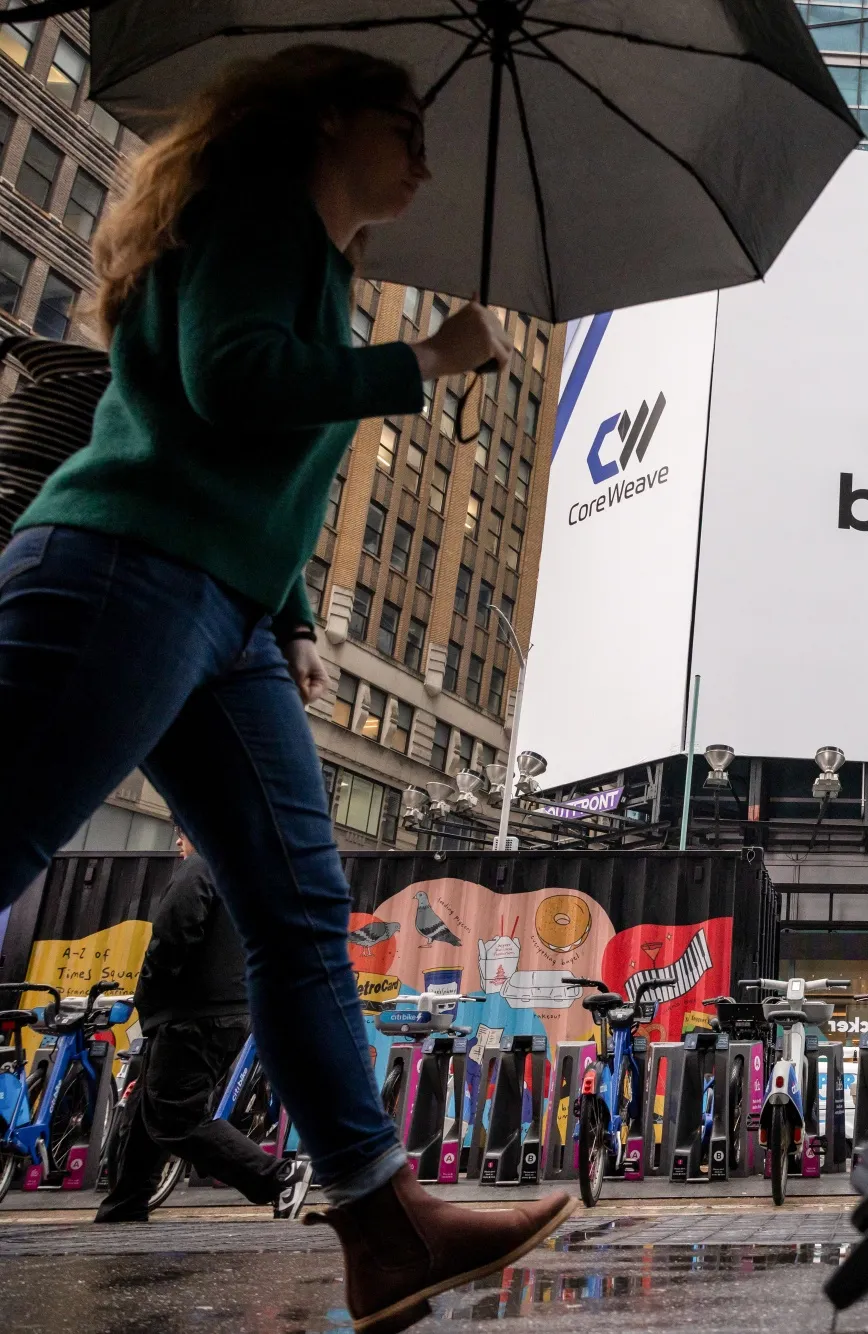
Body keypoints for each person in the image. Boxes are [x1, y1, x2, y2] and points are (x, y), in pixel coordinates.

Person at [0, 46, 570, 1332]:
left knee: (302, 911)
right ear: (324, 119)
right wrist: (423, 360)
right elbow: (232, 382)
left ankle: (385, 1225)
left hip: (226, 610)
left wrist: (296, 613)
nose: (424, 160)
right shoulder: (255, 208)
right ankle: (386, 1220)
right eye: (403, 126)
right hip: (126, 566)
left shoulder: (318, 261)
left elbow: (258, 463)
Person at [98, 831, 313, 1223]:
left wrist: (150, 996)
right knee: (149, 1110)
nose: (177, 842)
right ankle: (124, 1205)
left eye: (180, 831)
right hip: (229, 1012)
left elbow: (172, 935)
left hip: (191, 1013)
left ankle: (276, 1177)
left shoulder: (201, 867)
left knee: (175, 1116)